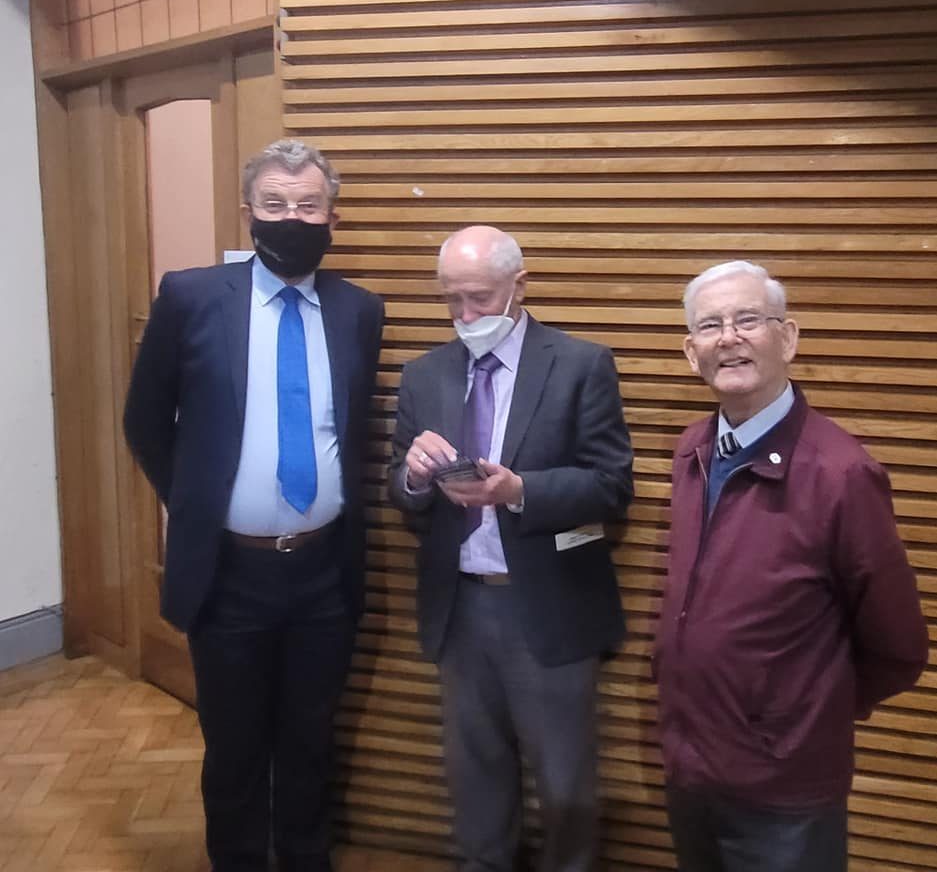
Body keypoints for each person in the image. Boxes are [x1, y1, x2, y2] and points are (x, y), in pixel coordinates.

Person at [123, 139, 384, 872]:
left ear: (332, 216)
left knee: (310, 738)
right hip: (229, 574)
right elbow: (144, 421)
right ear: (249, 213)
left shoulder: (361, 311)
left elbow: (353, 428)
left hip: (325, 571)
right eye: (275, 203)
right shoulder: (191, 296)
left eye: (308, 205)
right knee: (234, 746)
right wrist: (201, 506)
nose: (291, 217)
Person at [654, 260, 928, 872]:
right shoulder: (691, 450)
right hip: (692, 769)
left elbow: (899, 646)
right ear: (690, 352)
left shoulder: (841, 474)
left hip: (785, 794)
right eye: (710, 326)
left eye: (748, 319)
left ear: (789, 337)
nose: (729, 338)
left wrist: (797, 716)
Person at [388, 225, 633, 872]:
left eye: (480, 298)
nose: (466, 316)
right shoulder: (424, 376)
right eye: (452, 301)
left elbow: (612, 487)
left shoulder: (581, 365)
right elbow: (401, 490)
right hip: (461, 610)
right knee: (475, 782)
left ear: (520, 285)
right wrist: (413, 477)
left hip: (550, 608)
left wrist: (521, 490)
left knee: (565, 788)